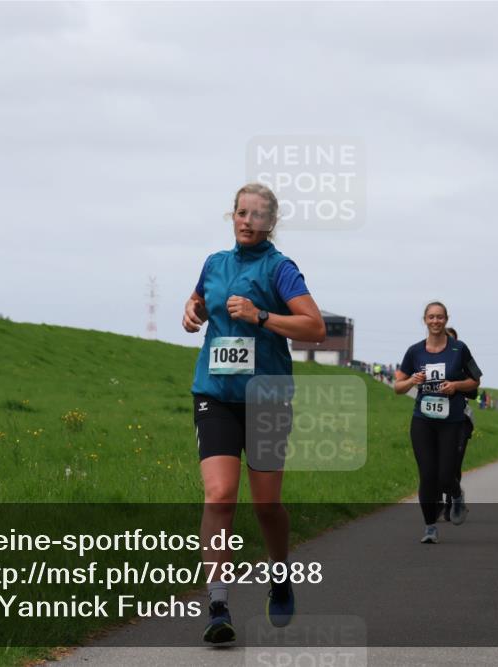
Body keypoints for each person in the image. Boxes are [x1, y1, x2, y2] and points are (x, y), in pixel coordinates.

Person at [183, 183, 326, 643]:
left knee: (266, 504)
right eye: (241, 213)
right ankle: (218, 604)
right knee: (220, 495)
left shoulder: (280, 269)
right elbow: (200, 300)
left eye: (258, 215)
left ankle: (280, 573)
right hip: (216, 394)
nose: (248, 221)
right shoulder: (214, 263)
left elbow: (315, 327)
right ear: (233, 216)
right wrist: (192, 311)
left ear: (271, 222)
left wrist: (260, 316)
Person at [394, 304, 482, 543]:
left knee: (445, 476)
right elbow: (397, 387)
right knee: (427, 476)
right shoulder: (414, 352)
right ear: (424, 320)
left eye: (440, 317)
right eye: (431, 317)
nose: (436, 321)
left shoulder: (459, 349)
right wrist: (412, 380)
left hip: (451, 421)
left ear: (446, 319)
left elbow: (475, 381)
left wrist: (456, 386)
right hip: (422, 420)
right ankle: (430, 526)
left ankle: (456, 494)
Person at [439, 327, 480, 523]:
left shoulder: (462, 362)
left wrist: (456, 385)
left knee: (454, 463)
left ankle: (451, 504)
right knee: (435, 464)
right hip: (434, 419)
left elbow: (475, 391)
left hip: (460, 419)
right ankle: (437, 503)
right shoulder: (430, 362)